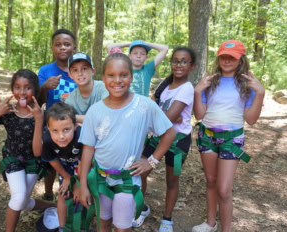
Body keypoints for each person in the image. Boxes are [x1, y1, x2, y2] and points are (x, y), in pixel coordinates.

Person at [78, 53, 176, 232]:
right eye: (111, 75)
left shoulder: (144, 106)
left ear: (131, 76)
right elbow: (88, 149)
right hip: (101, 179)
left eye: (123, 75)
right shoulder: (94, 111)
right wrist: (83, 184)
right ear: (103, 78)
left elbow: (169, 133)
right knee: (103, 222)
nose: (118, 80)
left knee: (122, 227)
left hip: (127, 180)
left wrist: (152, 161)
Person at [192, 40, 265, 232]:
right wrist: (198, 92)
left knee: (224, 190)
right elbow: (199, 115)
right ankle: (210, 223)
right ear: (218, 57)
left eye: (231, 57)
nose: (226, 60)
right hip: (207, 136)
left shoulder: (247, 84)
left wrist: (260, 94)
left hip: (232, 140)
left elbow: (251, 120)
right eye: (223, 56)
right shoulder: (211, 81)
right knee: (210, 180)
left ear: (240, 59)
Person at [0, 69, 55, 232]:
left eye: (27, 88)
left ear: (35, 90)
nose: (22, 92)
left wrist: (39, 120)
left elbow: (38, 153)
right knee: (18, 197)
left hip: (34, 163)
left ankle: (53, 206)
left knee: (23, 202)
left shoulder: (43, 115)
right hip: (12, 160)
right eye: (17, 87)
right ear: (12, 89)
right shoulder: (8, 112)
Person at [135, 47, 196, 231]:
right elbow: (152, 107)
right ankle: (141, 209)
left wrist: (165, 114)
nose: (179, 65)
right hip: (157, 138)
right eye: (175, 60)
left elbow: (167, 117)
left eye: (184, 61)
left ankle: (167, 219)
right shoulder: (165, 84)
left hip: (178, 143)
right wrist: (166, 114)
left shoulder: (187, 88)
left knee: (171, 180)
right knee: (140, 173)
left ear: (192, 66)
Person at [38, 29, 77, 201]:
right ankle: (48, 195)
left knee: (75, 159)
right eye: (58, 44)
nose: (63, 48)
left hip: (74, 125)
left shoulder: (78, 69)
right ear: (52, 48)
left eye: (67, 44)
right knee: (51, 161)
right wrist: (45, 87)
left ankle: (76, 192)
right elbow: (37, 101)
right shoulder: (45, 70)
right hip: (52, 126)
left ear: (73, 47)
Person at [41, 102, 83, 232]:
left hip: (84, 168)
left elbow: (85, 162)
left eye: (66, 129)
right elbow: (53, 161)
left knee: (84, 195)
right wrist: (66, 177)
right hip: (65, 168)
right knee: (63, 195)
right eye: (55, 130)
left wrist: (77, 185)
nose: (61, 136)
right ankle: (62, 228)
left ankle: (83, 224)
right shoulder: (47, 140)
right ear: (48, 128)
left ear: (75, 126)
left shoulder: (82, 136)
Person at [65, 52, 109, 123]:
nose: (80, 73)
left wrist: (74, 118)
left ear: (93, 71)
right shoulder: (70, 99)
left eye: (84, 68)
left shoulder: (104, 88)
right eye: (75, 70)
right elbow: (65, 119)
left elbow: (106, 116)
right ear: (70, 75)